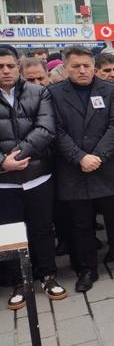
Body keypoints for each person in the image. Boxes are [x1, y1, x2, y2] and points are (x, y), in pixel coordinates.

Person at [48, 47, 114, 292]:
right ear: (66, 68)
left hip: (108, 165)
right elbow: (56, 131)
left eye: (86, 65)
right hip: (74, 168)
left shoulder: (110, 90)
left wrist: (97, 156)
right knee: (81, 224)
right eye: (76, 66)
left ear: (93, 66)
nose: (82, 70)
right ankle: (87, 269)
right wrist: (80, 157)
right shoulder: (55, 93)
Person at [0, 47, 67, 309]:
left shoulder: (39, 92)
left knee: (42, 230)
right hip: (4, 182)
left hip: (37, 176)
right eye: (0, 66)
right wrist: (4, 164)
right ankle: (20, 282)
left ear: (18, 66)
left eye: (9, 65)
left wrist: (17, 155)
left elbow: (46, 128)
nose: (5, 71)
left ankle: (48, 276)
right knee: (12, 234)